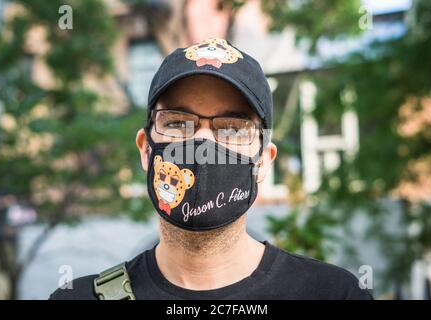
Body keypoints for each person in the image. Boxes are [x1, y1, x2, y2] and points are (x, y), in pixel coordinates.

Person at [49, 38, 373, 300]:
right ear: (146, 149)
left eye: (232, 128)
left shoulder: (333, 293)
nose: (202, 143)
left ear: (263, 161)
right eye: (177, 123)